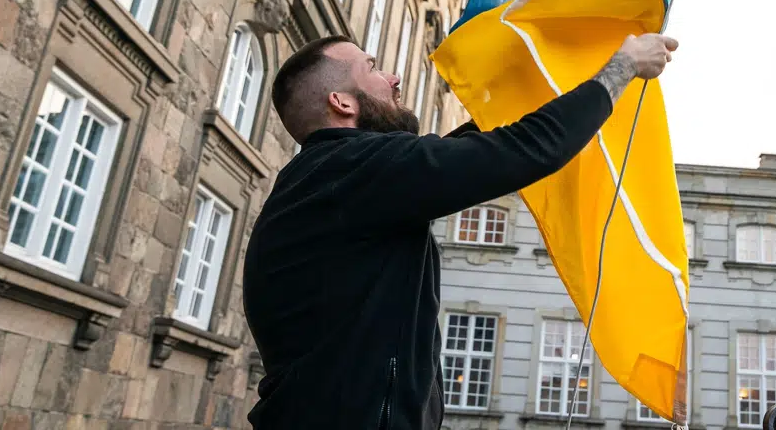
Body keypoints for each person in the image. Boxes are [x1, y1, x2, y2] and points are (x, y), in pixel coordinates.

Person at [241, 31, 680, 430]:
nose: (394, 78)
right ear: (342, 102)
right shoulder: (350, 170)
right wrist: (622, 68)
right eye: (372, 68)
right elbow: (524, 149)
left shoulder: (333, 180)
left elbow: (469, 150)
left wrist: (540, 77)